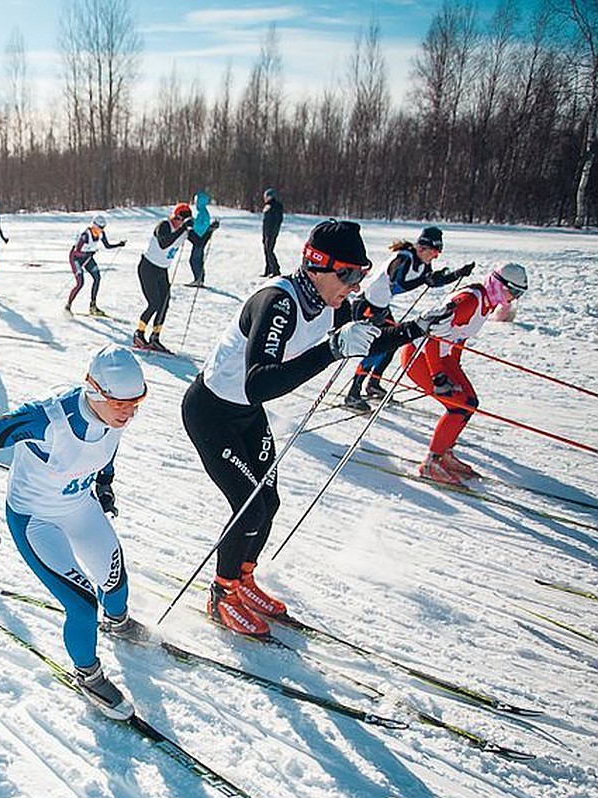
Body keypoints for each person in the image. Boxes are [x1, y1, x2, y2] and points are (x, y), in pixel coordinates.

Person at [181, 220, 456, 635]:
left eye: (360, 274)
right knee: (248, 504)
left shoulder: (332, 303)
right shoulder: (277, 302)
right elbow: (260, 382)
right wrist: (329, 350)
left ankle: (243, 577)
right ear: (316, 266)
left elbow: (366, 338)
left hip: (247, 415)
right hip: (211, 413)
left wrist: (418, 328)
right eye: (348, 274)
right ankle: (221, 592)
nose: (354, 284)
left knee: (269, 501)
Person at [0, 344, 150, 719]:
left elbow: (107, 448)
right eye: (121, 404)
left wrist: (106, 483)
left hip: (80, 506)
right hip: (36, 520)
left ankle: (118, 623)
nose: (129, 412)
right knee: (82, 605)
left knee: (115, 583)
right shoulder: (46, 418)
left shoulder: (113, 415)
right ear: (96, 391)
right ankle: (88, 675)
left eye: (137, 402)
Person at [402, 262, 528, 485]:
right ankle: (431, 463)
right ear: (500, 285)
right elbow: (433, 335)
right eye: (514, 291)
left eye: (519, 293)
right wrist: (439, 376)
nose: (514, 298)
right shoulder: (470, 300)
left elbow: (459, 337)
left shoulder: (487, 303)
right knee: (458, 406)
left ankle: (445, 453)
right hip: (420, 355)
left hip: (441, 356)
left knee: (470, 402)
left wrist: (455, 369)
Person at [343, 226, 475, 411]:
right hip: (366, 305)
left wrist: (458, 274)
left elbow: (432, 281)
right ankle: (352, 394)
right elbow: (398, 284)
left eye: (439, 252)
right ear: (422, 247)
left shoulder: (422, 261)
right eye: (435, 251)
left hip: (380, 307)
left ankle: (373, 384)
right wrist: (424, 280)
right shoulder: (403, 258)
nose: (436, 256)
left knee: (391, 345)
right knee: (376, 349)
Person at [133, 202, 200, 354]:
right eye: (177, 219)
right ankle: (139, 333)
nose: (178, 223)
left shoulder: (184, 231)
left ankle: (155, 337)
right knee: (154, 303)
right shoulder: (163, 225)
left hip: (162, 270)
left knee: (164, 303)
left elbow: (199, 243)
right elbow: (164, 243)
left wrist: (209, 231)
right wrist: (183, 227)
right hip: (147, 267)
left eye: (181, 221)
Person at [66, 214, 125, 315]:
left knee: (97, 277)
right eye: (100, 228)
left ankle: (93, 306)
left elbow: (107, 245)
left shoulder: (101, 234)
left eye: (103, 228)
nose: (101, 230)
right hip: (75, 258)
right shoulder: (85, 235)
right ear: (94, 225)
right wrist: (87, 253)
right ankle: (68, 305)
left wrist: (119, 244)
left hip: (87, 258)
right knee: (80, 283)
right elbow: (76, 251)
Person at [184, 191, 220, 288]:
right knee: (196, 259)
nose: (195, 203)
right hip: (199, 240)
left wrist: (192, 224)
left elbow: (201, 227)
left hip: (199, 240)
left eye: (197, 201)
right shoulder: (202, 212)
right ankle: (199, 279)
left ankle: (198, 279)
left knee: (195, 260)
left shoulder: (203, 213)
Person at [261, 187, 283, 277]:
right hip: (266, 231)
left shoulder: (276, 206)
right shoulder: (267, 206)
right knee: (266, 250)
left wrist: (273, 232)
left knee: (269, 251)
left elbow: (277, 220)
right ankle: (268, 269)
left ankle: (276, 270)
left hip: (272, 232)